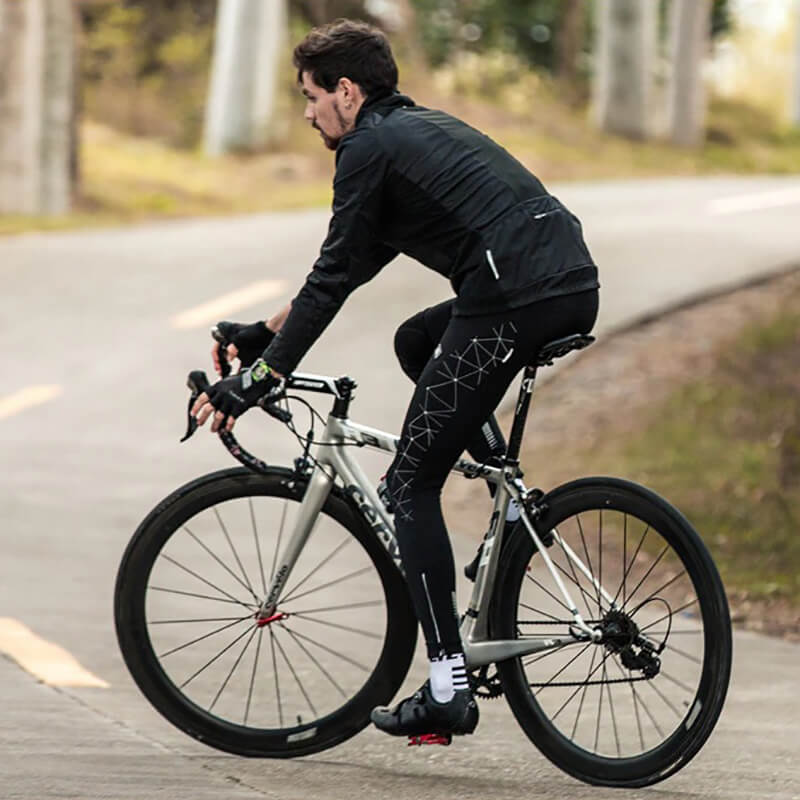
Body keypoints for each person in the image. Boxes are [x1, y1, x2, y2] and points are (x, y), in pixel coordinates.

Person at [191, 18, 599, 741]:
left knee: (408, 485)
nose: (308, 112)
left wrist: (256, 381)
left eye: (312, 96)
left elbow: (330, 276)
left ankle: (448, 687)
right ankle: (506, 500)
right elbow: (352, 264)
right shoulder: (412, 132)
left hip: (513, 298)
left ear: (347, 92)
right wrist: (267, 334)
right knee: (416, 339)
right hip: (565, 284)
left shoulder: (366, 149)